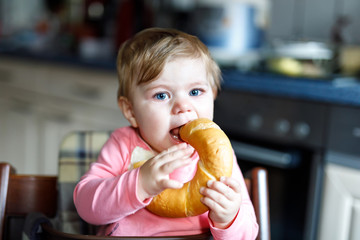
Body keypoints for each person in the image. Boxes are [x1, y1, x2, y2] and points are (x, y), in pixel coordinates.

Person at [73, 27, 259, 239]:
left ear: (213, 95)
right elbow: (87, 207)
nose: (182, 106)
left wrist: (229, 218)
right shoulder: (123, 145)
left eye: (195, 92)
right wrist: (139, 184)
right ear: (131, 111)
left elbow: (248, 234)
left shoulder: (218, 155)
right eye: (161, 95)